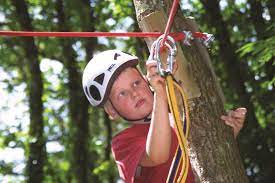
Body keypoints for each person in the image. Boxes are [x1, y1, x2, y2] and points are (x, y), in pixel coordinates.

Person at [82, 50, 247, 183]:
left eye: (136, 83)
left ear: (147, 81)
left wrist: (228, 133)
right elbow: (157, 156)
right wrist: (160, 95)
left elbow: (204, 154)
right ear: (111, 111)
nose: (134, 93)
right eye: (122, 94)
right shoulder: (123, 142)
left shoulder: (178, 115)